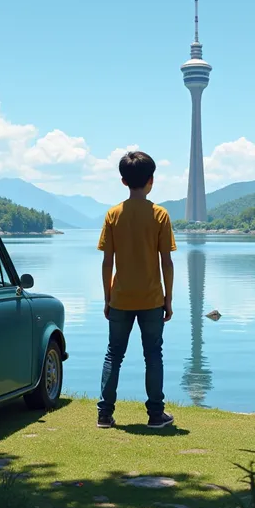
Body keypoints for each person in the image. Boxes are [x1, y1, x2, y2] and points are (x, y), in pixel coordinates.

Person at [96, 151, 176, 429]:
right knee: (153, 355)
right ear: (151, 180)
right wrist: (169, 299)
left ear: (123, 181)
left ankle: (104, 414)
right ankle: (156, 415)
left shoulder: (113, 214)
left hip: (120, 298)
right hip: (152, 297)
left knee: (113, 354)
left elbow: (107, 263)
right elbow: (166, 261)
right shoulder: (160, 215)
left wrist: (108, 297)